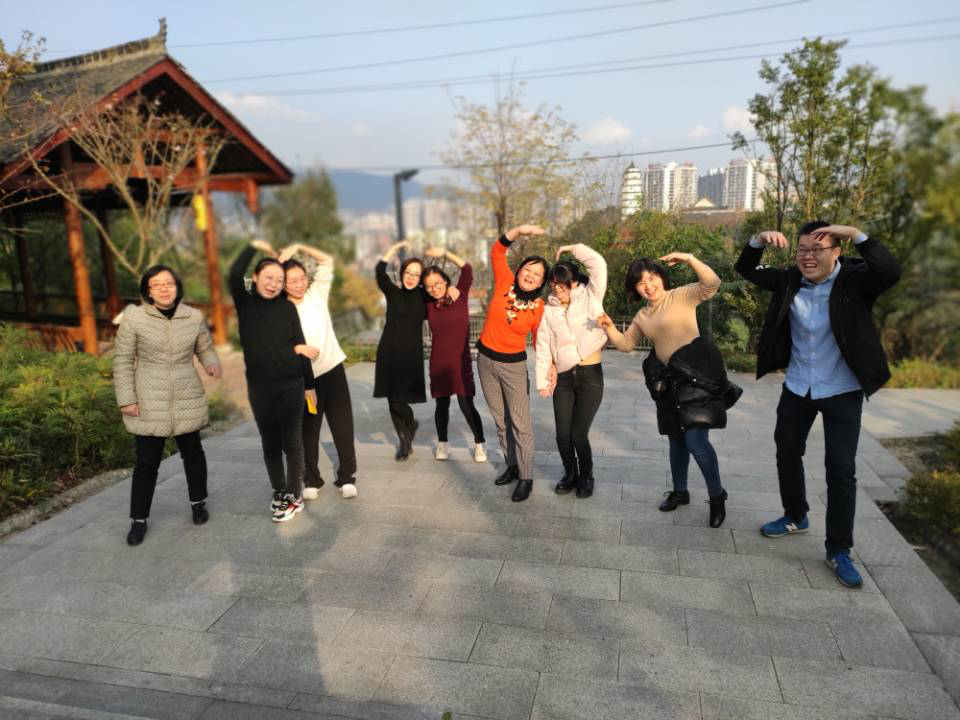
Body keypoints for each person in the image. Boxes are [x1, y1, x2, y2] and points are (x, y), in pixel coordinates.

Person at [736, 222, 901, 588]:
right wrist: (758, 240)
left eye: (817, 249)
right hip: (799, 385)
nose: (808, 257)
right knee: (787, 452)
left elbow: (890, 271)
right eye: (802, 250)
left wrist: (855, 233)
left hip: (842, 389)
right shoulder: (788, 280)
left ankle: (839, 549)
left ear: (837, 252)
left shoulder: (856, 281)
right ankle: (796, 515)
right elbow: (745, 268)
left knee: (840, 469)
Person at [600, 251, 731, 528]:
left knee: (696, 440)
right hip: (669, 383)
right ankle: (680, 491)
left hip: (695, 379)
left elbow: (712, 283)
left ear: (661, 277)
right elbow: (626, 344)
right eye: (640, 282)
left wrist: (689, 259)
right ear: (635, 288)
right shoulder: (643, 315)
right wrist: (609, 327)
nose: (648, 285)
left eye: (652, 277)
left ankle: (717, 496)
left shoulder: (681, 296)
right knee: (676, 440)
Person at [113, 265, 221, 546]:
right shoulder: (134, 318)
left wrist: (211, 363)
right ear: (148, 291)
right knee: (147, 463)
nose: (163, 288)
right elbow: (122, 360)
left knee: (193, 454)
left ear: (177, 286)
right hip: (149, 397)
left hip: (186, 394)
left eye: (168, 283)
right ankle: (138, 520)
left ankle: (198, 503)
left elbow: (204, 347)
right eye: (156, 284)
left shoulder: (193, 317)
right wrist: (127, 399)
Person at [230, 240, 316, 523]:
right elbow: (234, 273)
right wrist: (252, 245)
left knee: (292, 443)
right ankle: (279, 490)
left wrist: (309, 385)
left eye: (279, 280)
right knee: (270, 443)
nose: (274, 284)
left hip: (291, 384)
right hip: (260, 388)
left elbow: (301, 345)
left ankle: (294, 495)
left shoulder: (288, 308)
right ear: (255, 278)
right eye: (268, 278)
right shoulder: (245, 304)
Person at [278, 242, 359, 500]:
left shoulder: (316, 295)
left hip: (333, 370)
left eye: (302, 278)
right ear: (282, 284)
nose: (299, 284)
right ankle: (312, 479)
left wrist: (298, 246)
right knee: (309, 431)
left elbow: (327, 262)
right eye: (292, 281)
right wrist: (297, 348)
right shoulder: (280, 311)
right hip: (305, 380)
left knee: (342, 426)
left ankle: (347, 477)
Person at [476, 224, 550, 503]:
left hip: (513, 368)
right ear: (519, 271)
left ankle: (526, 477)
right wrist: (519, 230)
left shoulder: (539, 308)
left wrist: (550, 369)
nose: (530, 276)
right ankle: (512, 464)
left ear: (541, 283)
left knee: (520, 423)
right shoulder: (504, 281)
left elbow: (541, 342)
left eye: (537, 275)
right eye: (528, 270)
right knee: (500, 420)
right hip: (485, 361)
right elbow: (497, 251)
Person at [535, 243, 608, 499]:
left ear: (574, 282)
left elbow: (598, 264)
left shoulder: (591, 297)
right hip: (564, 380)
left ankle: (586, 476)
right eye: (553, 283)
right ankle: (570, 474)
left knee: (578, 435)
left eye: (563, 282)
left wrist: (572, 248)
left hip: (590, 377)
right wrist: (543, 379)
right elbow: (543, 346)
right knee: (562, 435)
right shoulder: (549, 311)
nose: (557, 287)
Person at [422, 247, 487, 463]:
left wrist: (444, 253)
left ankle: (479, 444)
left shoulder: (460, 294)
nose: (434, 288)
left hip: (461, 362)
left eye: (438, 283)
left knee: (467, 405)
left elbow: (466, 269)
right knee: (441, 406)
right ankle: (443, 443)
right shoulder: (428, 304)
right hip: (439, 363)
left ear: (445, 281)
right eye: (429, 286)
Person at [374, 240, 428, 461]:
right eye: (408, 272)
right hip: (388, 352)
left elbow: (442, 293)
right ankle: (404, 440)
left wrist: (451, 290)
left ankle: (411, 424)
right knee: (392, 399)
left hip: (410, 355)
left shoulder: (425, 297)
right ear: (402, 273)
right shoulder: (393, 292)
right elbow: (379, 271)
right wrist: (394, 249)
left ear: (421, 278)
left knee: (400, 400)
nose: (411, 277)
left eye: (416, 274)